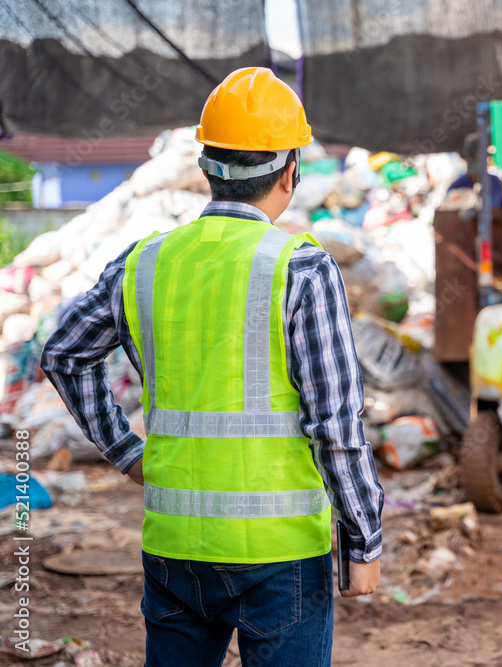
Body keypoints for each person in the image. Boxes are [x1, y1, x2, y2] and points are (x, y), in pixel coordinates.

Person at [41, 67, 383, 667]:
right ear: (291, 172)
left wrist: (126, 454)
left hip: (175, 549)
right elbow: (337, 422)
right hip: (280, 556)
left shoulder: (144, 263)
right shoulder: (301, 268)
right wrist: (363, 541)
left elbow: (63, 353)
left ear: (206, 170)